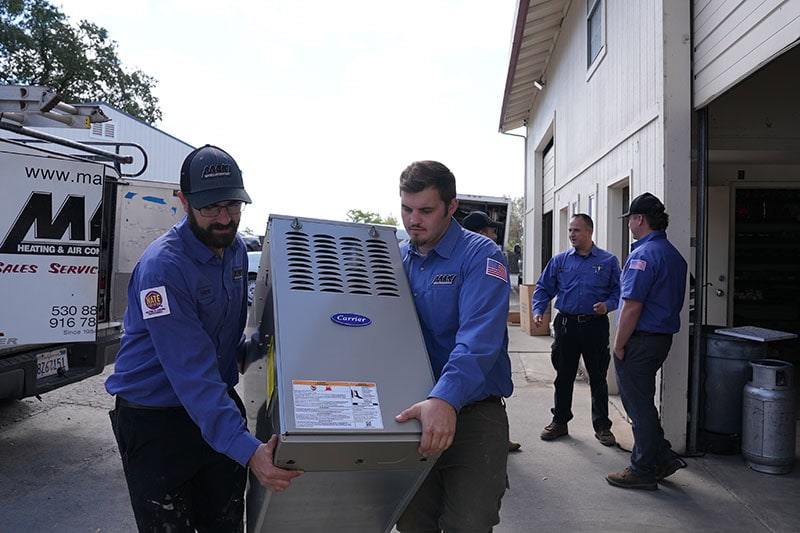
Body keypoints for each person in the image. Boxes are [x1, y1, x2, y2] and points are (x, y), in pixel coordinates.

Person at [105, 145, 302, 530]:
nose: (224, 218)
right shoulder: (164, 268)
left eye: (232, 205)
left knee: (225, 523)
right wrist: (251, 453)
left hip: (214, 408)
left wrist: (260, 350)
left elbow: (226, 341)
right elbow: (191, 373)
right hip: (155, 421)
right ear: (184, 201)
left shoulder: (235, 250)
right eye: (211, 207)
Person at [394, 161, 513, 532]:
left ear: (451, 206)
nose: (414, 220)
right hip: (413, 413)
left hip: (474, 414)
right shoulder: (394, 259)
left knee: (469, 522)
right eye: (406, 209)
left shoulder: (482, 257)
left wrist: (445, 399)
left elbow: (478, 339)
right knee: (411, 521)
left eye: (426, 210)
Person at [606, 192, 688, 491]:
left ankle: (642, 469)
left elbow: (632, 305)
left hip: (640, 341)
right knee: (644, 404)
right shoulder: (673, 255)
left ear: (639, 219)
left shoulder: (642, 255)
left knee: (638, 406)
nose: (628, 224)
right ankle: (664, 457)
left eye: (629, 219)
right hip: (660, 340)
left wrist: (618, 343)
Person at [531, 213, 621, 446]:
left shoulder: (608, 261)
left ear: (589, 232)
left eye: (576, 230)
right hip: (566, 325)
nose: (571, 234)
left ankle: (602, 426)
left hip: (595, 326)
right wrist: (538, 310)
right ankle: (560, 421)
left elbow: (618, 292)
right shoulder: (560, 261)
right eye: (570, 230)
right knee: (563, 376)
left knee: (598, 377)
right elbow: (543, 287)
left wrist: (608, 305)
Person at [462, 210, 523, 453]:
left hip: (489, 336)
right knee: (488, 391)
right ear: (479, 233)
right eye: (490, 229)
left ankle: (499, 435)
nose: (494, 233)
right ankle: (493, 438)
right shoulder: (487, 257)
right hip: (482, 341)